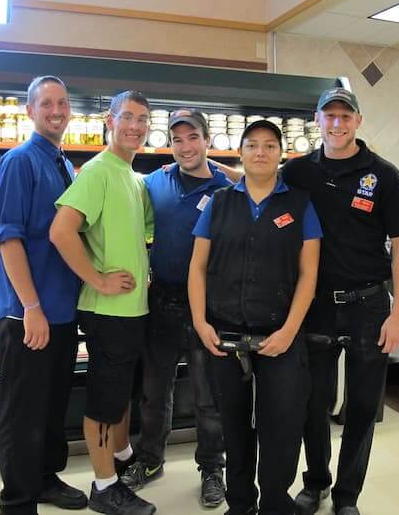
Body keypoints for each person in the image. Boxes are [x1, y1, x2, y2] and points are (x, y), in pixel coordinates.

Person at [282, 87, 399, 515]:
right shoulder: (298, 171)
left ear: (358, 121)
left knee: (362, 406)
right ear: (317, 121)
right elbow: (256, 183)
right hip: (316, 304)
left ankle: (347, 497)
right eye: (329, 116)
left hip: (369, 305)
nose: (337, 124)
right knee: (312, 403)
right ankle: (316, 482)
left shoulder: (384, 175)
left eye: (345, 116)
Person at [189, 119, 322, 515]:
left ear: (281, 155)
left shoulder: (299, 205)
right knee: (233, 424)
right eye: (252, 145)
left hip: (280, 338)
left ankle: (275, 504)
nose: (260, 152)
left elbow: (308, 274)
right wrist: (200, 322)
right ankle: (241, 502)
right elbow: (197, 268)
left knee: (280, 427)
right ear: (241, 153)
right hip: (225, 336)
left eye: (269, 145)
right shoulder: (219, 203)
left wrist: (288, 331)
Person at [50, 91, 156, 515]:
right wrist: (96, 279)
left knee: (120, 395)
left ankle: (123, 458)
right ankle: (103, 485)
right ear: (109, 121)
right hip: (106, 310)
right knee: (104, 401)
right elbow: (61, 231)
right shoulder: (98, 171)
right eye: (127, 117)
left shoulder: (133, 175)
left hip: (131, 309)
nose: (135, 125)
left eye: (143, 119)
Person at [0, 75, 87, 515]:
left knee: (51, 408)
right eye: (46, 103)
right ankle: (18, 500)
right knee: (23, 411)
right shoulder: (19, 161)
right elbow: (8, 239)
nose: (56, 110)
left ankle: (46, 479)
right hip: (26, 314)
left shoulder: (65, 165)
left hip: (62, 311)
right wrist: (30, 307)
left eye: (62, 103)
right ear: (30, 111)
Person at [121, 109, 229, 507]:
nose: (185, 147)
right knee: (154, 390)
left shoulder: (224, 188)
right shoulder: (156, 182)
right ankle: (149, 459)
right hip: (162, 299)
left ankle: (213, 469)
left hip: (208, 305)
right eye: (177, 139)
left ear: (207, 140)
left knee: (208, 395)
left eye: (193, 138)